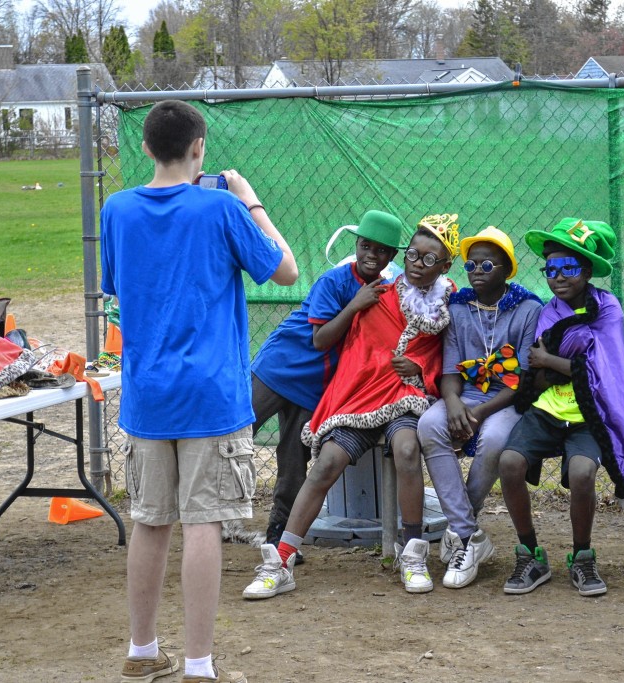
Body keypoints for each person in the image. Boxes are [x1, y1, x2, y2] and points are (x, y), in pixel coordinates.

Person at [101, 100, 298, 683]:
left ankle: (141, 652)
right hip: (210, 396)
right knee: (204, 523)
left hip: (148, 395)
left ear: (145, 147)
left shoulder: (117, 209)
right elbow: (285, 269)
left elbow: (118, 284)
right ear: (199, 149)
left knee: (149, 520)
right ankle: (198, 665)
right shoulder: (220, 208)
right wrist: (250, 201)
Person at [242, 213, 459, 599]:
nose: (417, 264)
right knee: (318, 458)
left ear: (444, 266)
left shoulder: (447, 304)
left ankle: (412, 553)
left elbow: (449, 354)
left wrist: (421, 369)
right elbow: (334, 342)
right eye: (413, 255)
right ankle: (281, 555)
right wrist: (358, 309)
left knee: (406, 449)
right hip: (329, 384)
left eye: (429, 260)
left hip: (400, 395)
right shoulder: (372, 295)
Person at [250, 210, 405, 564]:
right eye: (366, 246)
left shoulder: (384, 292)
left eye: (382, 251)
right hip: (280, 368)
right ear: (357, 245)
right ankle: (204, 517)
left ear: (391, 258)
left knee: (293, 463)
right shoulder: (334, 282)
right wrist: (355, 305)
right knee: (234, 436)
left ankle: (279, 538)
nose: (371, 255)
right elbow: (321, 339)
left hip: (313, 389)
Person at [497, 217, 624, 596]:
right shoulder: (549, 311)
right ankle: (530, 553)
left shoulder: (608, 308)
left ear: (587, 271)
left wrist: (553, 363)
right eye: (551, 269)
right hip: (549, 408)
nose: (558, 277)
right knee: (509, 463)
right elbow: (541, 370)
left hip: (590, 414)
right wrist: (554, 367)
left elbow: (600, 366)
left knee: (581, 473)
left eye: (569, 268)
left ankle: (582, 557)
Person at [417, 226, 542, 588]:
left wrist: (480, 413)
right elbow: (451, 369)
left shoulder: (528, 308)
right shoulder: (458, 307)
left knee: (496, 440)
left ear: (507, 269)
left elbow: (522, 381)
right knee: (429, 425)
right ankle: (470, 535)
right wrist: (454, 403)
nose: (476, 271)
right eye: (471, 265)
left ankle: (460, 528)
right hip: (466, 394)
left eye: (487, 265)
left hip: (506, 400)